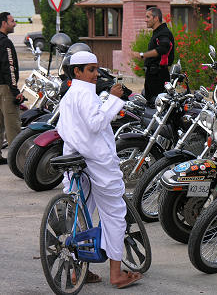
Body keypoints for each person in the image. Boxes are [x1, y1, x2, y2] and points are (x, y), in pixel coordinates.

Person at [56, 51, 142, 289]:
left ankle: (78, 271)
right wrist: (113, 99)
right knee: (114, 214)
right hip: (97, 162)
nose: (96, 74)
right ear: (77, 71)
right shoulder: (85, 94)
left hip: (74, 160)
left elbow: (65, 129)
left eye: (96, 69)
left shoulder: (69, 96)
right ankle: (116, 274)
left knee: (80, 214)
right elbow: (96, 124)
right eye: (91, 70)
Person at [135, 7, 174, 104]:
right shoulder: (157, 33)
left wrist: (143, 55)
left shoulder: (164, 33)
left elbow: (163, 48)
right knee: (149, 103)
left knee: (157, 105)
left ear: (156, 18)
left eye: (148, 17)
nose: (145, 20)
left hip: (159, 76)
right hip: (152, 75)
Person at [0, 12, 24, 164]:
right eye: (12, 21)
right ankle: (19, 162)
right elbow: (9, 67)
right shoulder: (5, 42)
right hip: (5, 89)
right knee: (12, 125)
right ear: (3, 23)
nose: (14, 24)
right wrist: (15, 91)